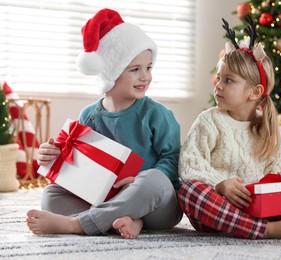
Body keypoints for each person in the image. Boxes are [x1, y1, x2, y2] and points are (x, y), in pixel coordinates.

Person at [26, 8, 183, 239]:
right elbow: (78, 166)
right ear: (111, 72)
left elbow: (172, 161)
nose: (145, 77)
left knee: (155, 181)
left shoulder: (158, 114)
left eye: (149, 68)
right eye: (135, 70)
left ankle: (78, 224)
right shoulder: (89, 115)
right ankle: (124, 220)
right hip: (106, 198)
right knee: (51, 195)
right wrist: (53, 157)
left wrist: (138, 182)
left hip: (155, 205)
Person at [178, 18, 281, 241]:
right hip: (217, 210)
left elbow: (279, 167)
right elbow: (189, 164)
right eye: (219, 77)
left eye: (229, 80)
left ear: (254, 92)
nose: (218, 85)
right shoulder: (209, 121)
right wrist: (220, 184)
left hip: (257, 206)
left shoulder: (269, 127)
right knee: (189, 191)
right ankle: (269, 230)